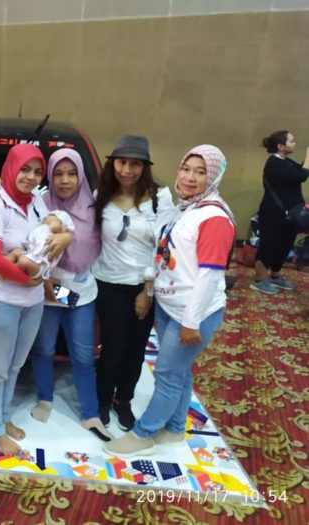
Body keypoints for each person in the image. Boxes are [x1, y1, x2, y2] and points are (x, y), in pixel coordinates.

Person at [104, 145, 235, 457]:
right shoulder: (187, 208)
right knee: (180, 372)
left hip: (192, 314)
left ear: (214, 177)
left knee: (166, 374)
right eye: (186, 169)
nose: (190, 177)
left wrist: (191, 322)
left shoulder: (214, 217)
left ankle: (144, 434)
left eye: (201, 172)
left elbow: (209, 275)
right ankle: (175, 428)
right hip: (170, 306)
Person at [0, 143, 71, 455]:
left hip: (32, 303)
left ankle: (3, 417)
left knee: (15, 365)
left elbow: (52, 236)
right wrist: (27, 279)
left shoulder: (37, 203)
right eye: (24, 169)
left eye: (37, 172)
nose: (30, 177)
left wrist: (66, 236)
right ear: (11, 168)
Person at [91, 135, 174, 431]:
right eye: (121, 162)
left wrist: (147, 291)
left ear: (144, 167)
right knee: (113, 346)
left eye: (135, 164)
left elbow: (163, 247)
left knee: (135, 348)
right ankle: (102, 399)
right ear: (113, 164)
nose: (127, 170)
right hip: (108, 282)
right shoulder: (101, 195)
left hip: (143, 285)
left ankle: (123, 399)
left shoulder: (159, 199)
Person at [29, 148, 111, 442]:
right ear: (50, 177)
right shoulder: (39, 206)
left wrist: (69, 236)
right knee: (44, 349)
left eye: (72, 174)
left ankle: (90, 413)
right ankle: (45, 398)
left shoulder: (94, 209)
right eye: (58, 174)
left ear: (81, 176)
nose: (65, 180)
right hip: (46, 291)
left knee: (83, 355)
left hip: (81, 294)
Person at [252, 130, 309, 294]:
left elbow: (300, 170)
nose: (294, 143)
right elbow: (301, 176)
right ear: (280, 146)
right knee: (269, 245)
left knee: (285, 244)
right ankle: (259, 280)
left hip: (289, 214)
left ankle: (275, 275)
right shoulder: (274, 163)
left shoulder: (286, 161)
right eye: (291, 141)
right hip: (273, 212)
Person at [8, 211, 74, 279]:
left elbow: (55, 227)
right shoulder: (42, 229)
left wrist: (52, 220)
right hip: (30, 255)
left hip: (40, 266)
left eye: (52, 217)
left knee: (24, 261)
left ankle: (10, 273)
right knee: (16, 251)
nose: (46, 219)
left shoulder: (55, 236)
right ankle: (4, 263)